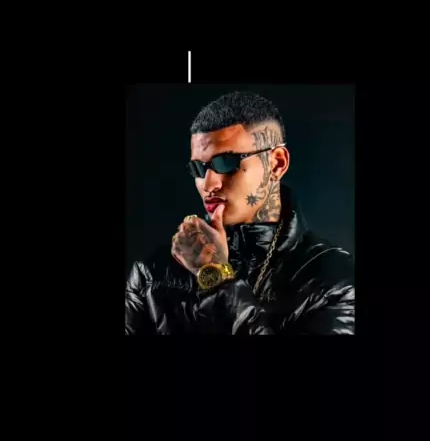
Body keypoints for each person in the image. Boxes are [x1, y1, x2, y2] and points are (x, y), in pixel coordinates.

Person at [125, 90, 354, 335]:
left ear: (277, 163)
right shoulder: (151, 274)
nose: (208, 184)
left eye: (226, 163)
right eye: (199, 168)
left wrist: (216, 278)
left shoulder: (335, 279)